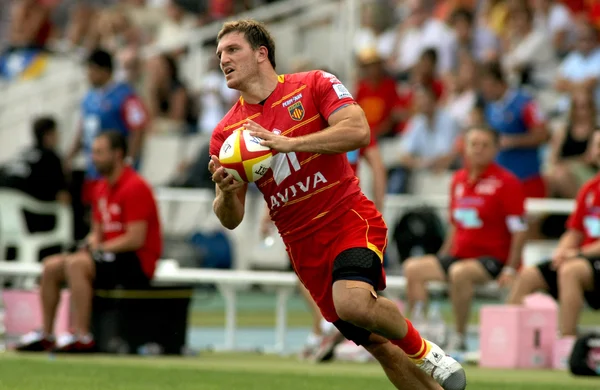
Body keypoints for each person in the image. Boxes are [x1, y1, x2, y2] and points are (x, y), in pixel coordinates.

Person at [209, 19, 465, 390]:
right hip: (303, 245)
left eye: (233, 50)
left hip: (348, 218)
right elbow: (231, 220)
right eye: (219, 54)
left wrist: (290, 143)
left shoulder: (314, 83)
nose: (223, 59)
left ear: (262, 54)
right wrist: (224, 192)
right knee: (377, 344)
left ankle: (427, 353)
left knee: (353, 304)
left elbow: (359, 130)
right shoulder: (225, 134)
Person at [15, 131, 162, 353]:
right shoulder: (100, 187)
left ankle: (82, 335)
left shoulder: (135, 186)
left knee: (77, 264)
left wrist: (97, 249)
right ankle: (46, 333)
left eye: (100, 152)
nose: (94, 157)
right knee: (51, 265)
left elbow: (135, 238)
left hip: (136, 262)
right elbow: (97, 232)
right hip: (108, 257)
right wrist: (89, 244)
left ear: (118, 154)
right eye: (93, 152)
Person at [403, 126, 528, 352]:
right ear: (465, 148)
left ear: (495, 149)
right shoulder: (459, 180)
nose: (478, 150)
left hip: (493, 259)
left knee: (459, 272)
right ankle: (418, 335)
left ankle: (458, 336)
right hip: (459, 255)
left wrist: (511, 268)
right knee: (413, 268)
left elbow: (520, 230)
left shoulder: (507, 182)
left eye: (484, 145)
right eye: (473, 144)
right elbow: (455, 224)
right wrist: (442, 256)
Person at [507, 129, 600, 337]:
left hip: (588, 260)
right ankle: (509, 341)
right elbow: (574, 231)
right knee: (529, 274)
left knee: (571, 270)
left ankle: (567, 341)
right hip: (584, 259)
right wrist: (562, 251)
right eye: (597, 146)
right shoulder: (589, 188)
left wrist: (576, 254)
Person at [65, 48, 148, 205]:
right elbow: (83, 129)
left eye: (91, 70)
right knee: (96, 212)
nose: (88, 74)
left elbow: (138, 128)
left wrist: (129, 159)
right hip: (94, 167)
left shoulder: (125, 96)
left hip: (115, 168)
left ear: (104, 70)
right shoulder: (88, 97)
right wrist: (70, 156)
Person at [480, 62, 549, 198]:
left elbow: (543, 135)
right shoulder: (490, 107)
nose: (483, 91)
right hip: (501, 179)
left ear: (496, 82)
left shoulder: (525, 103)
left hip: (526, 177)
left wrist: (512, 141)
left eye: (486, 86)